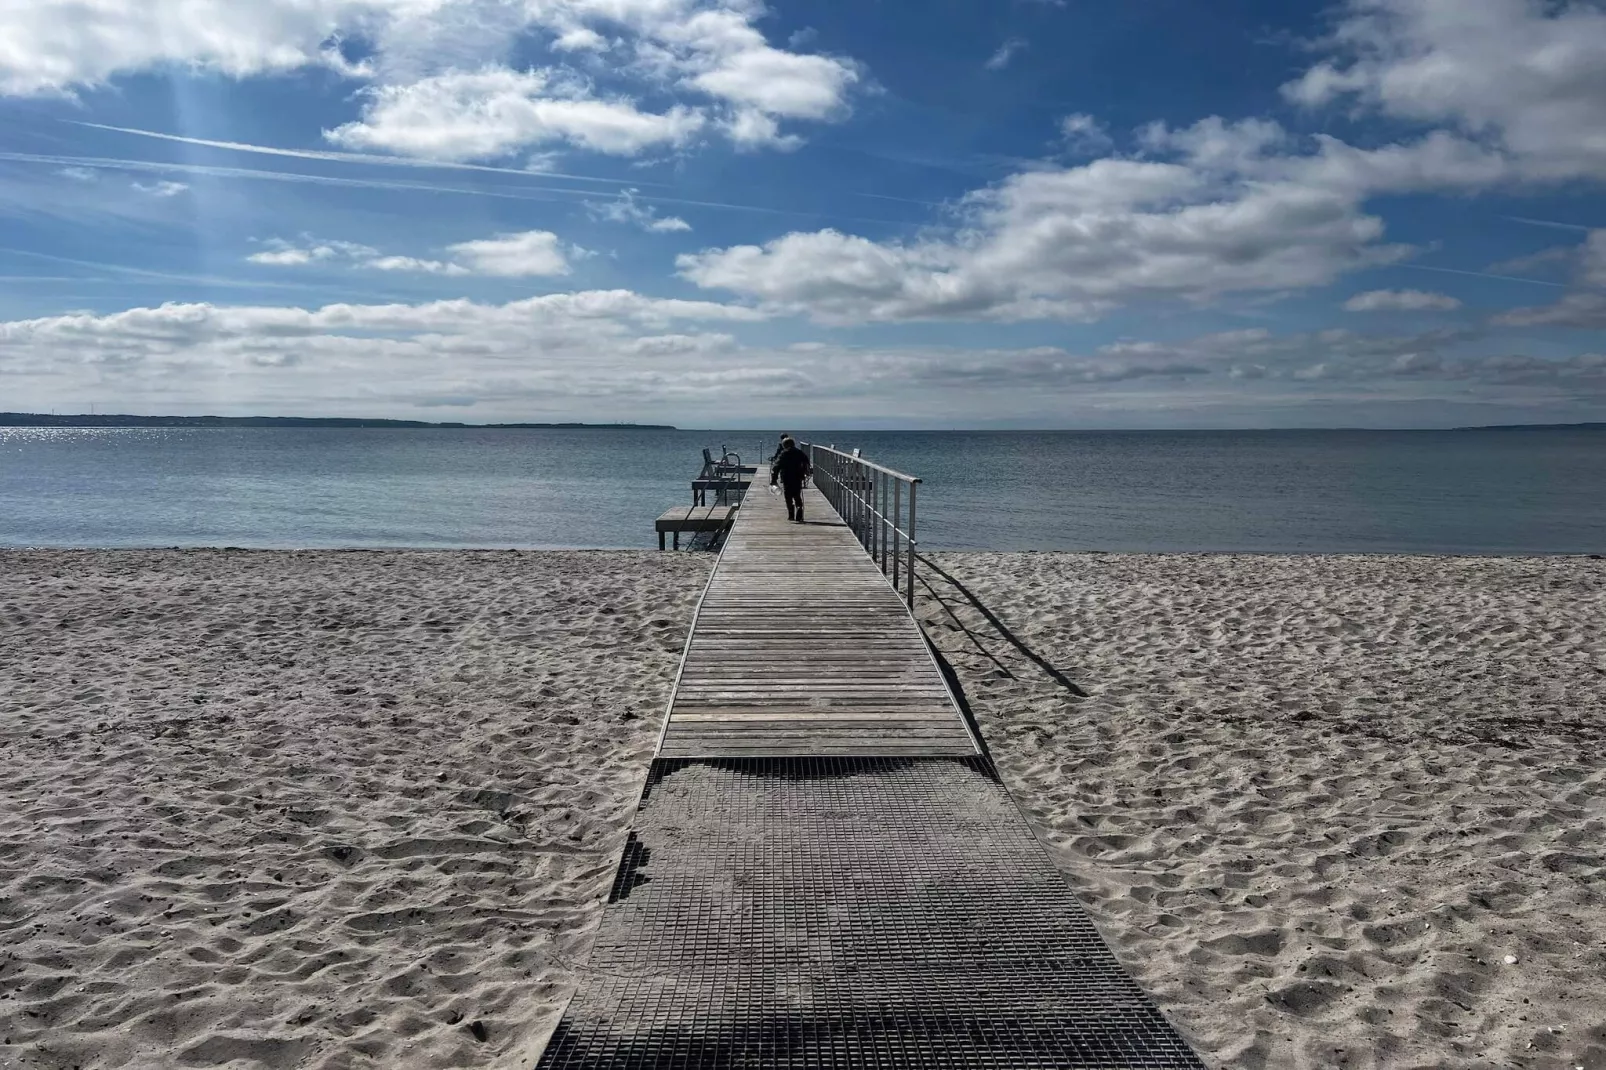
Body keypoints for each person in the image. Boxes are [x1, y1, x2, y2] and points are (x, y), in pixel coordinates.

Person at [770, 436, 812, 522]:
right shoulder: (799, 453)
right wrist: (806, 473)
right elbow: (807, 463)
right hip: (798, 477)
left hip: (787, 478)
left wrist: (774, 479)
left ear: (784, 445)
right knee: (797, 495)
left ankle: (791, 514)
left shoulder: (784, 454)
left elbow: (776, 467)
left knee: (788, 496)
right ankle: (799, 512)